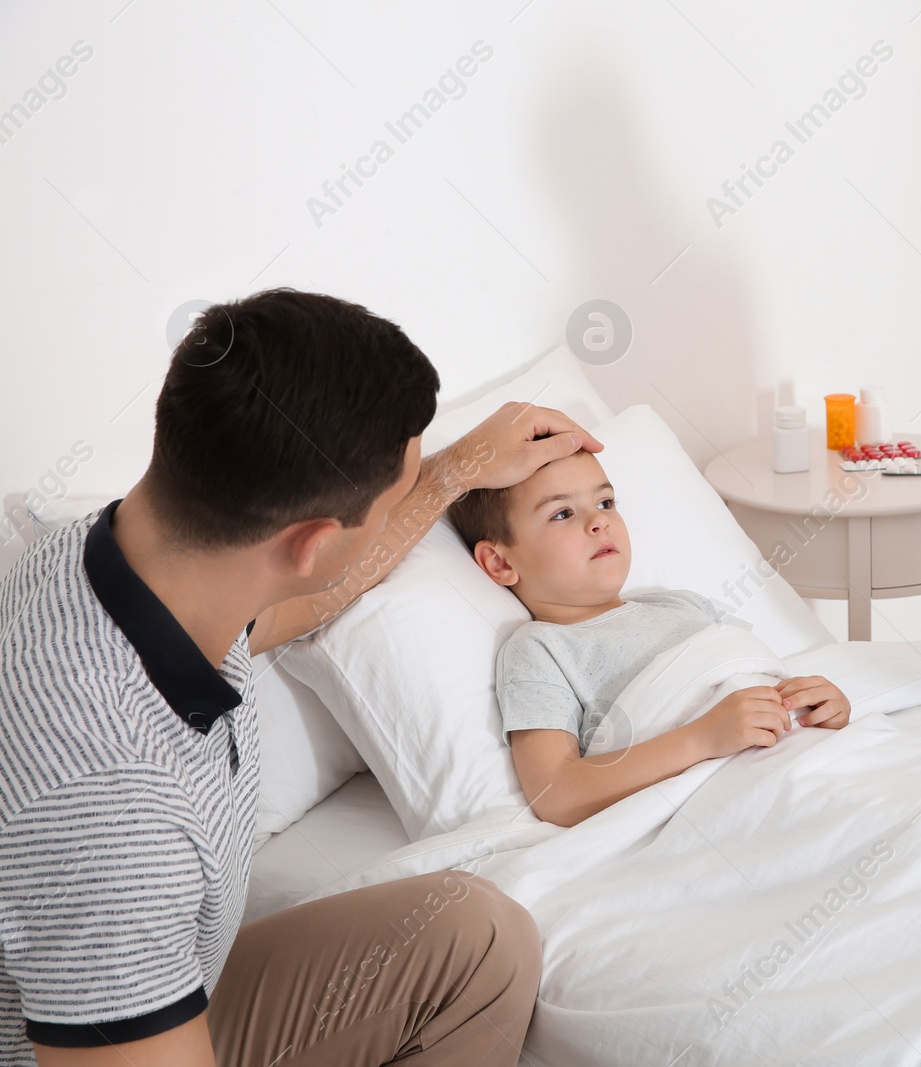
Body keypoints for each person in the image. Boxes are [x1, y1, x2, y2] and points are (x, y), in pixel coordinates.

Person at [0, 288, 604, 1066]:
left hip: (167, 984)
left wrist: (459, 471)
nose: (392, 522)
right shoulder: (115, 814)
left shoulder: (117, 551)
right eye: (383, 509)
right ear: (308, 541)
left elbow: (306, 599)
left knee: (475, 937)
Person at [447, 445, 852, 827]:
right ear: (500, 562)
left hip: (811, 762)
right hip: (736, 795)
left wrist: (817, 706)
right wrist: (702, 738)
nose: (599, 521)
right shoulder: (539, 648)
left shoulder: (680, 604)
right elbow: (555, 793)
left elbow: (756, 683)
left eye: (605, 502)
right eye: (562, 513)